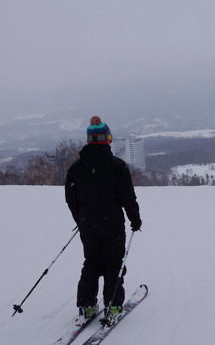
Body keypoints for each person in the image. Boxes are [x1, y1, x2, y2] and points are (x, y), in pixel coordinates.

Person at [65, 116, 142, 325]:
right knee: (113, 262)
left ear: (89, 140)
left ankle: (87, 305)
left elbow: (71, 199)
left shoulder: (75, 168)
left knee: (91, 262)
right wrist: (135, 220)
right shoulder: (118, 167)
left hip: (88, 225)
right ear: (108, 139)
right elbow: (128, 197)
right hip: (112, 224)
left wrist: (80, 219)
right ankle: (114, 305)